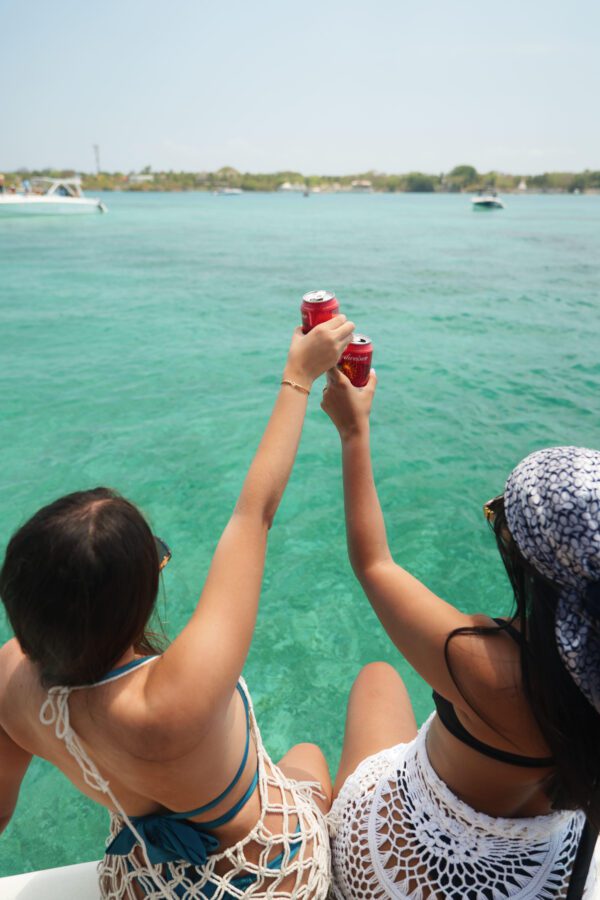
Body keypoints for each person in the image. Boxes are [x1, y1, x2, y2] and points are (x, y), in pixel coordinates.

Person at [0, 316, 354, 900]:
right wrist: (299, 375)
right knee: (310, 756)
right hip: (264, 882)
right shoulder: (174, 697)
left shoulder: (14, 684)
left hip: (141, 881)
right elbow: (253, 514)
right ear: (136, 599)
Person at [321, 367, 600, 899]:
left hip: (397, 870)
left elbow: (374, 563)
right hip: (542, 876)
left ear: (528, 563)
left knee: (377, 677)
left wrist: (353, 430)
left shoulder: (486, 664)